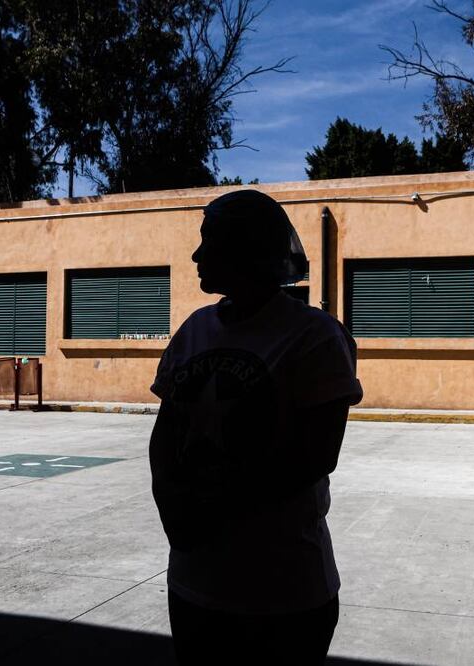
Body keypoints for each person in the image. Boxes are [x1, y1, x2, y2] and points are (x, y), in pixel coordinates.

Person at [149, 189, 363, 665]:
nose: (197, 254)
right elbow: (166, 437)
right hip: (193, 583)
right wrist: (171, 508)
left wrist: (209, 514)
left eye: (211, 242)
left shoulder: (315, 335)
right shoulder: (194, 329)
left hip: (283, 592)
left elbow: (314, 456)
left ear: (248, 249)